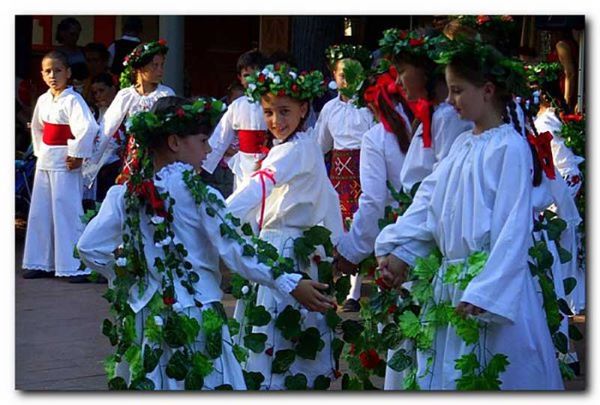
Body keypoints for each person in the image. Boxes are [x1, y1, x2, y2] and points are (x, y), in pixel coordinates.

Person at [77, 96, 325, 390]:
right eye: (203, 140)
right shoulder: (198, 194)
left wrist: (129, 275)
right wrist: (289, 282)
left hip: (146, 313)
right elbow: (236, 250)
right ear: (174, 142)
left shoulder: (124, 193)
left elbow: (88, 247)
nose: (209, 150)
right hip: (197, 312)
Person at [375, 40, 563, 390]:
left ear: (488, 90)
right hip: (450, 286)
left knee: (489, 374)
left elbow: (513, 227)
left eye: (458, 90)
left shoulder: (510, 146)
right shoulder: (462, 145)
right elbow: (430, 203)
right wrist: (399, 250)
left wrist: (486, 291)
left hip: (487, 289)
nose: (449, 100)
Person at [226, 63, 342, 390]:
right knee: (284, 331)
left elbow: (257, 189)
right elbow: (328, 196)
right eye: (268, 112)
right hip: (292, 246)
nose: (276, 121)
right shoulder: (300, 147)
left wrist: (215, 216)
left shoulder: (294, 150)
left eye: (285, 111)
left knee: (278, 332)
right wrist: (339, 246)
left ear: (304, 108)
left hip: (286, 250)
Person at [22, 50, 98, 282]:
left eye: (58, 70)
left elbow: (89, 127)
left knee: (66, 212)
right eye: (48, 71)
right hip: (46, 160)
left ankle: (73, 264)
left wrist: (76, 154)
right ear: (42, 74)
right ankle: (40, 261)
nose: (53, 75)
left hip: (66, 162)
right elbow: (37, 128)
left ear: (68, 73)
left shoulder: (74, 100)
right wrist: (39, 151)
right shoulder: (44, 100)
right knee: (40, 213)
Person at [314, 44, 375, 312]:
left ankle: (355, 291)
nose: (347, 79)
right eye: (341, 74)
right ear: (333, 75)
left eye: (353, 73)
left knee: (360, 223)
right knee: (336, 225)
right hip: (339, 175)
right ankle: (332, 283)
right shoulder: (329, 109)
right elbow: (320, 144)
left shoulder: (370, 107)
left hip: (365, 171)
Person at [379, 29, 473, 194]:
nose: (397, 82)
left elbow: (443, 183)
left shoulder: (449, 117)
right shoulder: (435, 114)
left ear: (425, 69)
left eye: (401, 71)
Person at [82, 39, 175, 189]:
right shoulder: (126, 95)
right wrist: (89, 163)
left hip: (159, 154)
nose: (160, 70)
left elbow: (173, 129)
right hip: (133, 156)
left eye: (162, 65)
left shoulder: (166, 94)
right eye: (155, 65)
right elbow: (107, 128)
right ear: (140, 68)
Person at [202, 49, 269, 192]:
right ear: (240, 78)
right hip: (244, 168)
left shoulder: (273, 104)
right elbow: (220, 138)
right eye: (246, 75)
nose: (251, 80)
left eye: (256, 74)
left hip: (270, 165)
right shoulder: (237, 106)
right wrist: (200, 165)